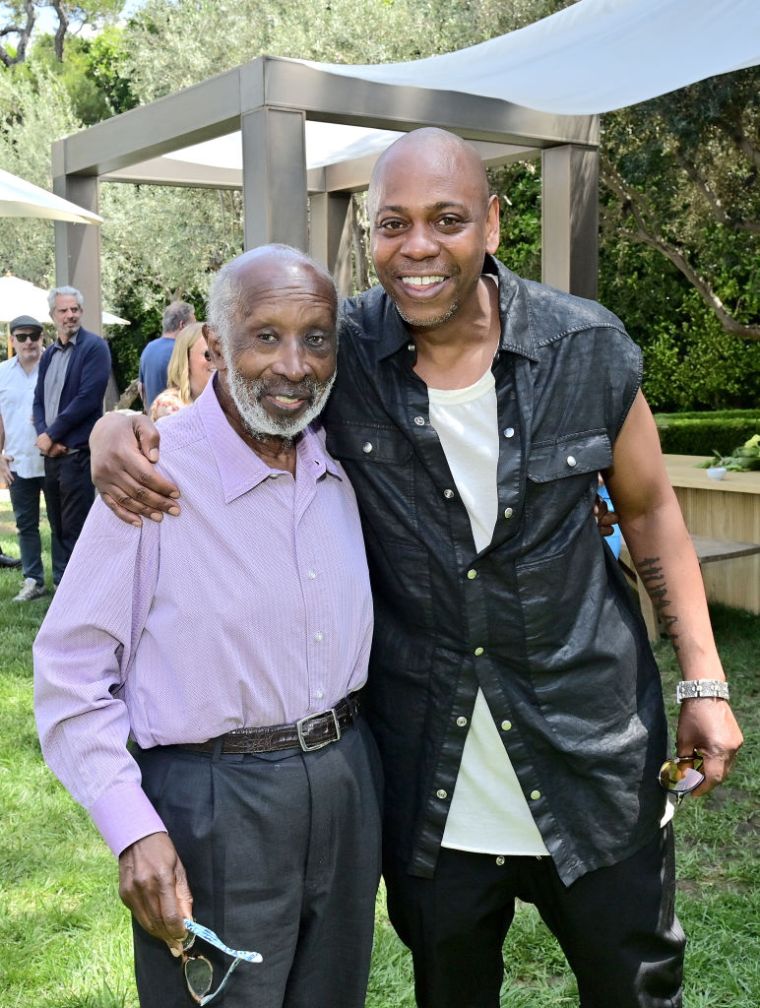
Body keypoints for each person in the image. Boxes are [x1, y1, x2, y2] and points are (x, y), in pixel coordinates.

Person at [89, 129, 743, 1008]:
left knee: (635, 991)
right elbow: (239, 405)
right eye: (394, 223)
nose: (420, 247)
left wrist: (703, 679)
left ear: (494, 225)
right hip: (431, 780)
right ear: (373, 234)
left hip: (593, 757)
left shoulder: (586, 349)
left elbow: (651, 507)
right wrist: (116, 431)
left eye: (448, 219)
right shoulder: (340, 353)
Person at [34, 246, 381, 1008]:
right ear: (214, 346)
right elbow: (69, 673)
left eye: (315, 339)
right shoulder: (152, 475)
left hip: (350, 785)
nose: (293, 365)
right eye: (265, 336)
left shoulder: (348, 460)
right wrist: (132, 828)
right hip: (214, 803)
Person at [32, 285, 111, 588]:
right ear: (53, 315)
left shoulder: (94, 347)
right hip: (52, 457)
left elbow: (87, 399)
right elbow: (38, 399)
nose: (70, 315)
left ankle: (83, 593)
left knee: (77, 530)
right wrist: (43, 435)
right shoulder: (49, 354)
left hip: (77, 456)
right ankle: (61, 591)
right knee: (57, 527)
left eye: (75, 309)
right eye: (63, 310)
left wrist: (51, 434)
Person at [0, 315, 50, 600]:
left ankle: (66, 577)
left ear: (42, 337)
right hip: (17, 461)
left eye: (34, 335)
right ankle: (33, 580)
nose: (28, 341)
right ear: (12, 341)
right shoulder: (2, 372)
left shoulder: (53, 367)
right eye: (21, 336)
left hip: (55, 458)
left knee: (63, 523)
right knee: (25, 524)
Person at [138, 300, 196, 411]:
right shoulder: (183, 351)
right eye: (193, 326)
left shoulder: (149, 348)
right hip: (178, 423)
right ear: (182, 325)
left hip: (154, 423)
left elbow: (141, 389)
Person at [148, 320, 213, 420]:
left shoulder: (217, 402)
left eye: (220, 354)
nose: (217, 361)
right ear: (186, 359)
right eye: (208, 354)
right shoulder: (169, 404)